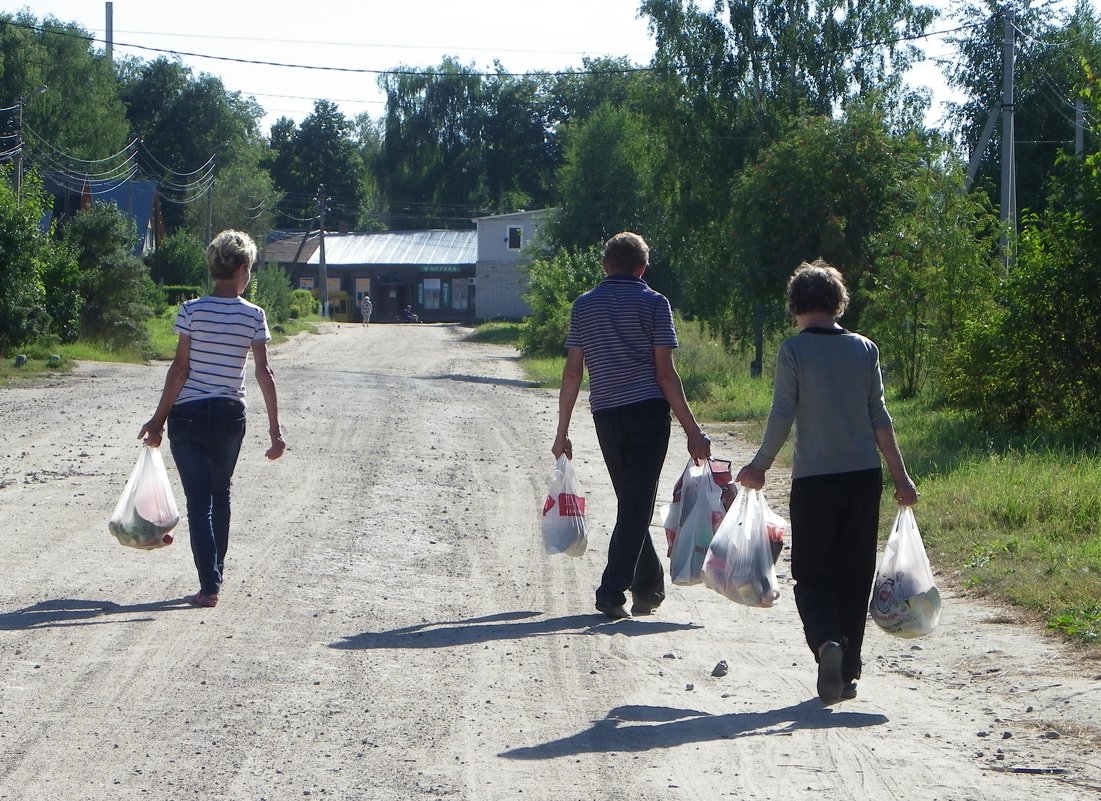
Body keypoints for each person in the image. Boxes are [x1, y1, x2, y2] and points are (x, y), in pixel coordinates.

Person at [735, 259, 918, 705]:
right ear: (838, 303)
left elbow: (782, 414)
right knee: (855, 574)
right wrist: (901, 476)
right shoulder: (864, 349)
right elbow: (880, 417)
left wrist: (759, 465)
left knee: (812, 574)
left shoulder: (794, 350)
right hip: (862, 478)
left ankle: (826, 644)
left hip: (815, 481)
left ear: (796, 304)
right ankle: (848, 672)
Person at [552, 231, 711, 620]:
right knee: (635, 504)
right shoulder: (655, 303)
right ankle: (610, 592)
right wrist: (692, 431)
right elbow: (666, 375)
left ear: (605, 265)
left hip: (606, 415)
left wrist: (562, 431)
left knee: (633, 503)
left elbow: (573, 372)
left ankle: (648, 584)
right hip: (648, 413)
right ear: (643, 267)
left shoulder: (583, 306)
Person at [138, 230, 286, 609]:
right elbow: (263, 374)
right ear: (240, 269)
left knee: (198, 502)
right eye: (249, 268)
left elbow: (179, 370)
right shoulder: (254, 315)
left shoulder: (191, 310)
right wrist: (275, 431)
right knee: (220, 496)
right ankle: (213, 577)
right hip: (228, 417)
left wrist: (157, 421)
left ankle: (209, 586)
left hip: (186, 418)